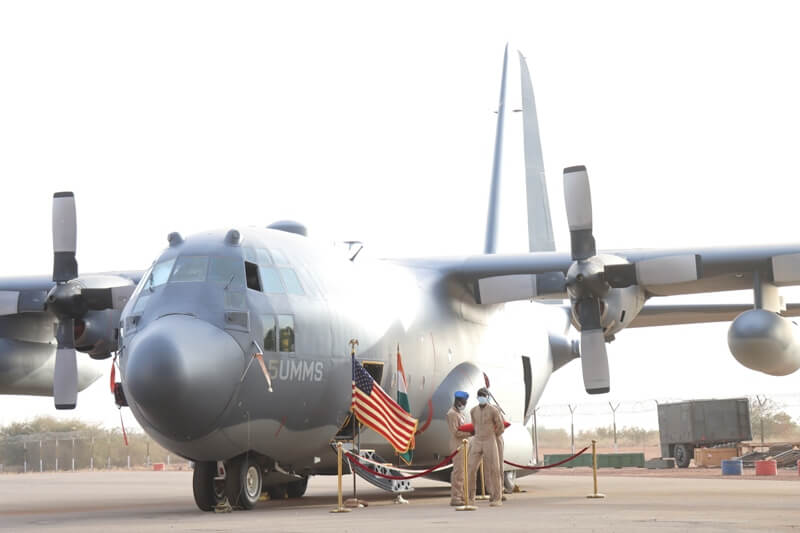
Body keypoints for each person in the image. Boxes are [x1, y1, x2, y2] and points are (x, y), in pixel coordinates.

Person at [467, 387, 505, 506]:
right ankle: (470, 497)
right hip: (477, 440)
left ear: (487, 397)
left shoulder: (493, 410)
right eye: (480, 395)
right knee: (471, 468)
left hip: (490, 439)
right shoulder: (473, 411)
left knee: (495, 469)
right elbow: (474, 425)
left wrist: (493, 436)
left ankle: (497, 497)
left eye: (483, 395)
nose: (481, 397)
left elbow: (500, 426)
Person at [446, 390, 471, 506]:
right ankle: (456, 497)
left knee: (464, 472)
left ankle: (461, 495)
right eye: (464, 401)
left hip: (464, 445)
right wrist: (471, 433)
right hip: (457, 445)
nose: (465, 403)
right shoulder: (451, 414)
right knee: (458, 472)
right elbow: (456, 432)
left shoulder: (460, 414)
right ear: (458, 401)